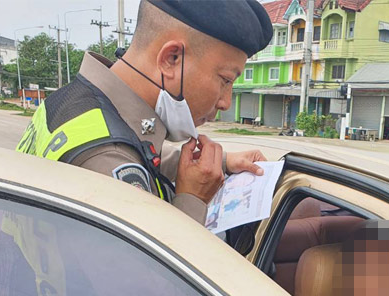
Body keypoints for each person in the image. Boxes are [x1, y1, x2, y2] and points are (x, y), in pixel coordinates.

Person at [15, 0, 273, 224]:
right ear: (171, 58)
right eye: (226, 80)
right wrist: (193, 200)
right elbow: (152, 279)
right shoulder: (107, 163)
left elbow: (141, 153)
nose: (226, 102)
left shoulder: (75, 101)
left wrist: (223, 162)